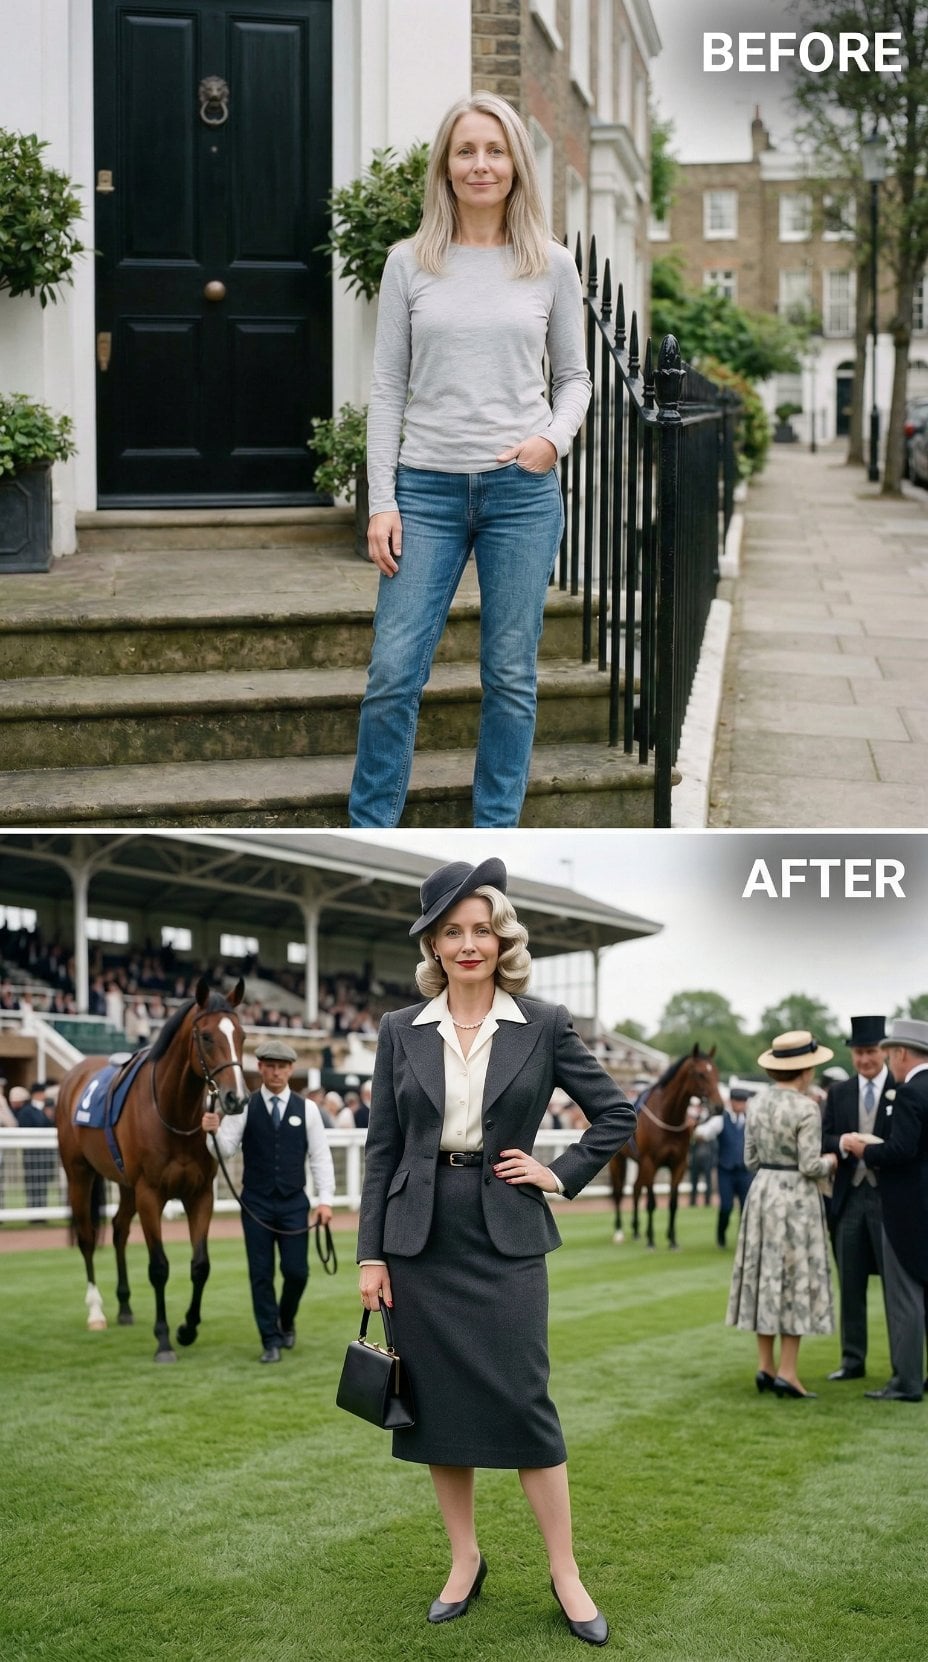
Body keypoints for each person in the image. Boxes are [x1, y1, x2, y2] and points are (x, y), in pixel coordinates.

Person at [356, 858, 636, 1644]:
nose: (469, 943)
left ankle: (566, 1571)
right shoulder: (397, 1030)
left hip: (506, 1231)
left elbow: (615, 1114)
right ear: (434, 946)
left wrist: (558, 1172)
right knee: (437, 1410)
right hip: (419, 1241)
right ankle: (464, 1558)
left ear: (502, 937)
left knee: (524, 1403)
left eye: (482, 929)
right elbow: (382, 1151)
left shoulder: (543, 1024)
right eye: (453, 931)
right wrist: (370, 1256)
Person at [348, 92, 592, 829]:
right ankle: (371, 823)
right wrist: (381, 500)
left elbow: (576, 378)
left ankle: (497, 828)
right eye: (466, 151)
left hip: (521, 492)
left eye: (494, 150)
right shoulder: (408, 263)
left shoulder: (550, 265)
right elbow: (388, 387)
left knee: (511, 676)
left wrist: (554, 440)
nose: (480, 164)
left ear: (516, 164)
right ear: (445, 166)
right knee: (393, 672)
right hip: (424, 493)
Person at [202, 1038, 335, 1363]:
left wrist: (325, 1200)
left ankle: (286, 1319)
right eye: (269, 1066)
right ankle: (270, 1340)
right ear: (260, 1068)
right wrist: (213, 1132)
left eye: (281, 1067)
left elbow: (320, 1157)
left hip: (293, 1203)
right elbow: (226, 1149)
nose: (275, 1072)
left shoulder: (307, 1110)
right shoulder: (244, 1106)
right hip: (256, 1203)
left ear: (290, 1069)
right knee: (260, 1274)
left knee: (297, 1272)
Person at [726, 1032, 838, 1399]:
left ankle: (765, 1365)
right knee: (794, 1277)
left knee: (765, 1274)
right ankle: (788, 1371)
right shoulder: (806, 1108)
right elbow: (809, 1165)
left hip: (763, 1191)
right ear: (805, 1070)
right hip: (795, 1197)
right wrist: (832, 1161)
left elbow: (750, 1160)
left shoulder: (755, 1104)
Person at [844, 1017, 928, 1402]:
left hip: (906, 1207)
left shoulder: (911, 1092)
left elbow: (902, 1151)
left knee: (905, 1296)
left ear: (900, 1054)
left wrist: (866, 1150)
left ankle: (906, 1381)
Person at [821, 1016, 894, 1383]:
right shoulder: (839, 1092)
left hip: (889, 1200)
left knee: (898, 1287)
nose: (865, 1059)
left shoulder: (902, 1088)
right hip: (850, 1198)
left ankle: (904, 1363)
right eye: (859, 1053)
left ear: (884, 1051)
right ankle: (853, 1360)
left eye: (871, 1052)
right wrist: (843, 1144)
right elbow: (824, 1137)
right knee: (850, 1283)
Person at [694, 1083, 757, 1247]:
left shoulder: (751, 1121)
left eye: (743, 1101)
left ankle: (744, 1239)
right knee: (726, 1206)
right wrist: (698, 1132)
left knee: (746, 1207)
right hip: (726, 1170)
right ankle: (721, 1236)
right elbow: (703, 1133)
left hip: (744, 1171)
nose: (740, 1105)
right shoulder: (720, 1120)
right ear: (731, 1102)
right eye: (738, 1101)